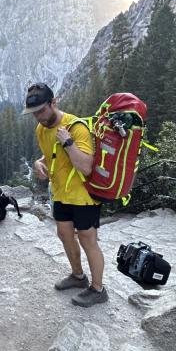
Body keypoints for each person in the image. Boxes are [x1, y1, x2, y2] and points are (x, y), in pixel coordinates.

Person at [24, 83, 108, 308]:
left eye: (41, 110)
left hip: (83, 195)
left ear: (54, 102)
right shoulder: (41, 129)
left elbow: (86, 167)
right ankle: (78, 276)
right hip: (60, 192)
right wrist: (38, 163)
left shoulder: (76, 127)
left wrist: (68, 142)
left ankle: (98, 289)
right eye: (33, 113)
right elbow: (49, 154)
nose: (38, 117)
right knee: (64, 234)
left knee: (88, 239)